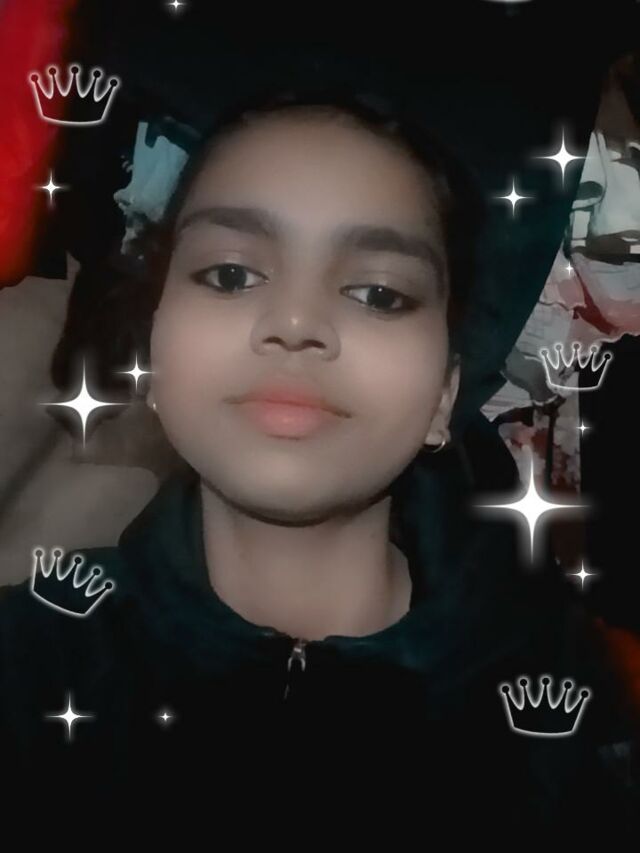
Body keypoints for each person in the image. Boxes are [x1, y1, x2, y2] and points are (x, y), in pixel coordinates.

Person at [0, 84, 637, 838]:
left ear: (444, 395)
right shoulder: (27, 657)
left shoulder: (570, 706)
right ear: (155, 353)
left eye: (378, 293)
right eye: (230, 275)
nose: (296, 321)